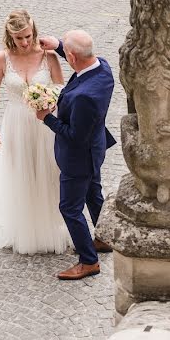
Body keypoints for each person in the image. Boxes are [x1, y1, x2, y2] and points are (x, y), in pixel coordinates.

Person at [0, 10, 70, 254]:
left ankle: (52, 228)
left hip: (44, 122)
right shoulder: (2, 59)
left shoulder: (49, 56)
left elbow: (60, 86)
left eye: (28, 36)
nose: (24, 42)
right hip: (15, 123)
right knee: (20, 171)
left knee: (48, 171)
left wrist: (50, 100)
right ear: (10, 36)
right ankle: (24, 229)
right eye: (19, 38)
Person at [36, 30, 116, 280]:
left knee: (70, 208)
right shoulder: (102, 68)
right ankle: (105, 237)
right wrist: (59, 46)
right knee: (93, 194)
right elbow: (80, 60)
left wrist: (46, 118)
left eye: (66, 52)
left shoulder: (84, 97)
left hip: (79, 157)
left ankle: (89, 261)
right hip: (95, 149)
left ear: (71, 56)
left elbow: (74, 136)